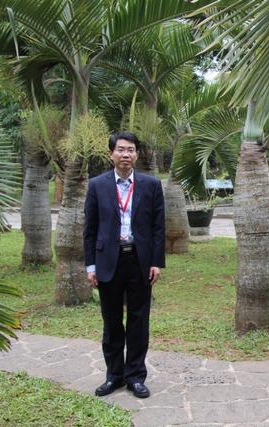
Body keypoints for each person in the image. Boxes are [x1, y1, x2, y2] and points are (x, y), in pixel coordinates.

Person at [83, 131, 165, 399]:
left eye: (130, 150)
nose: (125, 154)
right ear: (111, 154)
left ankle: (136, 377)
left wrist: (156, 262)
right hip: (109, 261)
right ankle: (114, 376)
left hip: (139, 262)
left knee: (139, 321)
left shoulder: (151, 185)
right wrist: (90, 266)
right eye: (120, 149)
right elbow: (90, 229)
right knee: (112, 322)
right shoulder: (97, 185)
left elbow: (158, 227)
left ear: (137, 155)